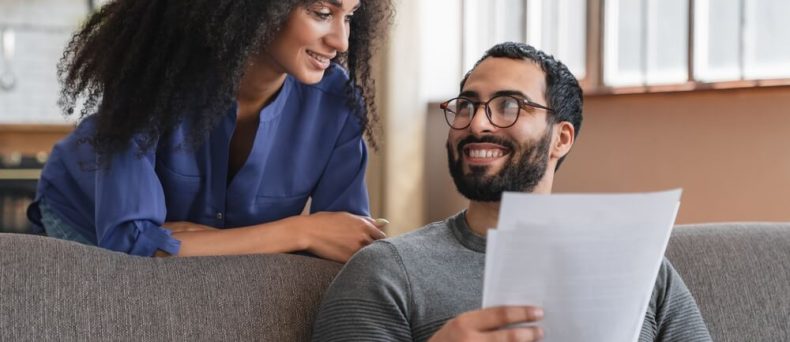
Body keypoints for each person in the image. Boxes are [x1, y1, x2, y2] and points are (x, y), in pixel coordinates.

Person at [311, 42, 712, 341]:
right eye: (466, 106)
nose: (477, 124)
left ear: (561, 139)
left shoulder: (639, 266)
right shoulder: (387, 271)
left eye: (509, 106)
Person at [26, 0, 394, 260]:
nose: (341, 41)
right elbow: (128, 243)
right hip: (83, 217)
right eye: (322, 13)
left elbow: (347, 241)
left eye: (349, 16)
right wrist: (301, 231)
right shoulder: (152, 75)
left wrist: (195, 240)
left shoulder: (338, 103)